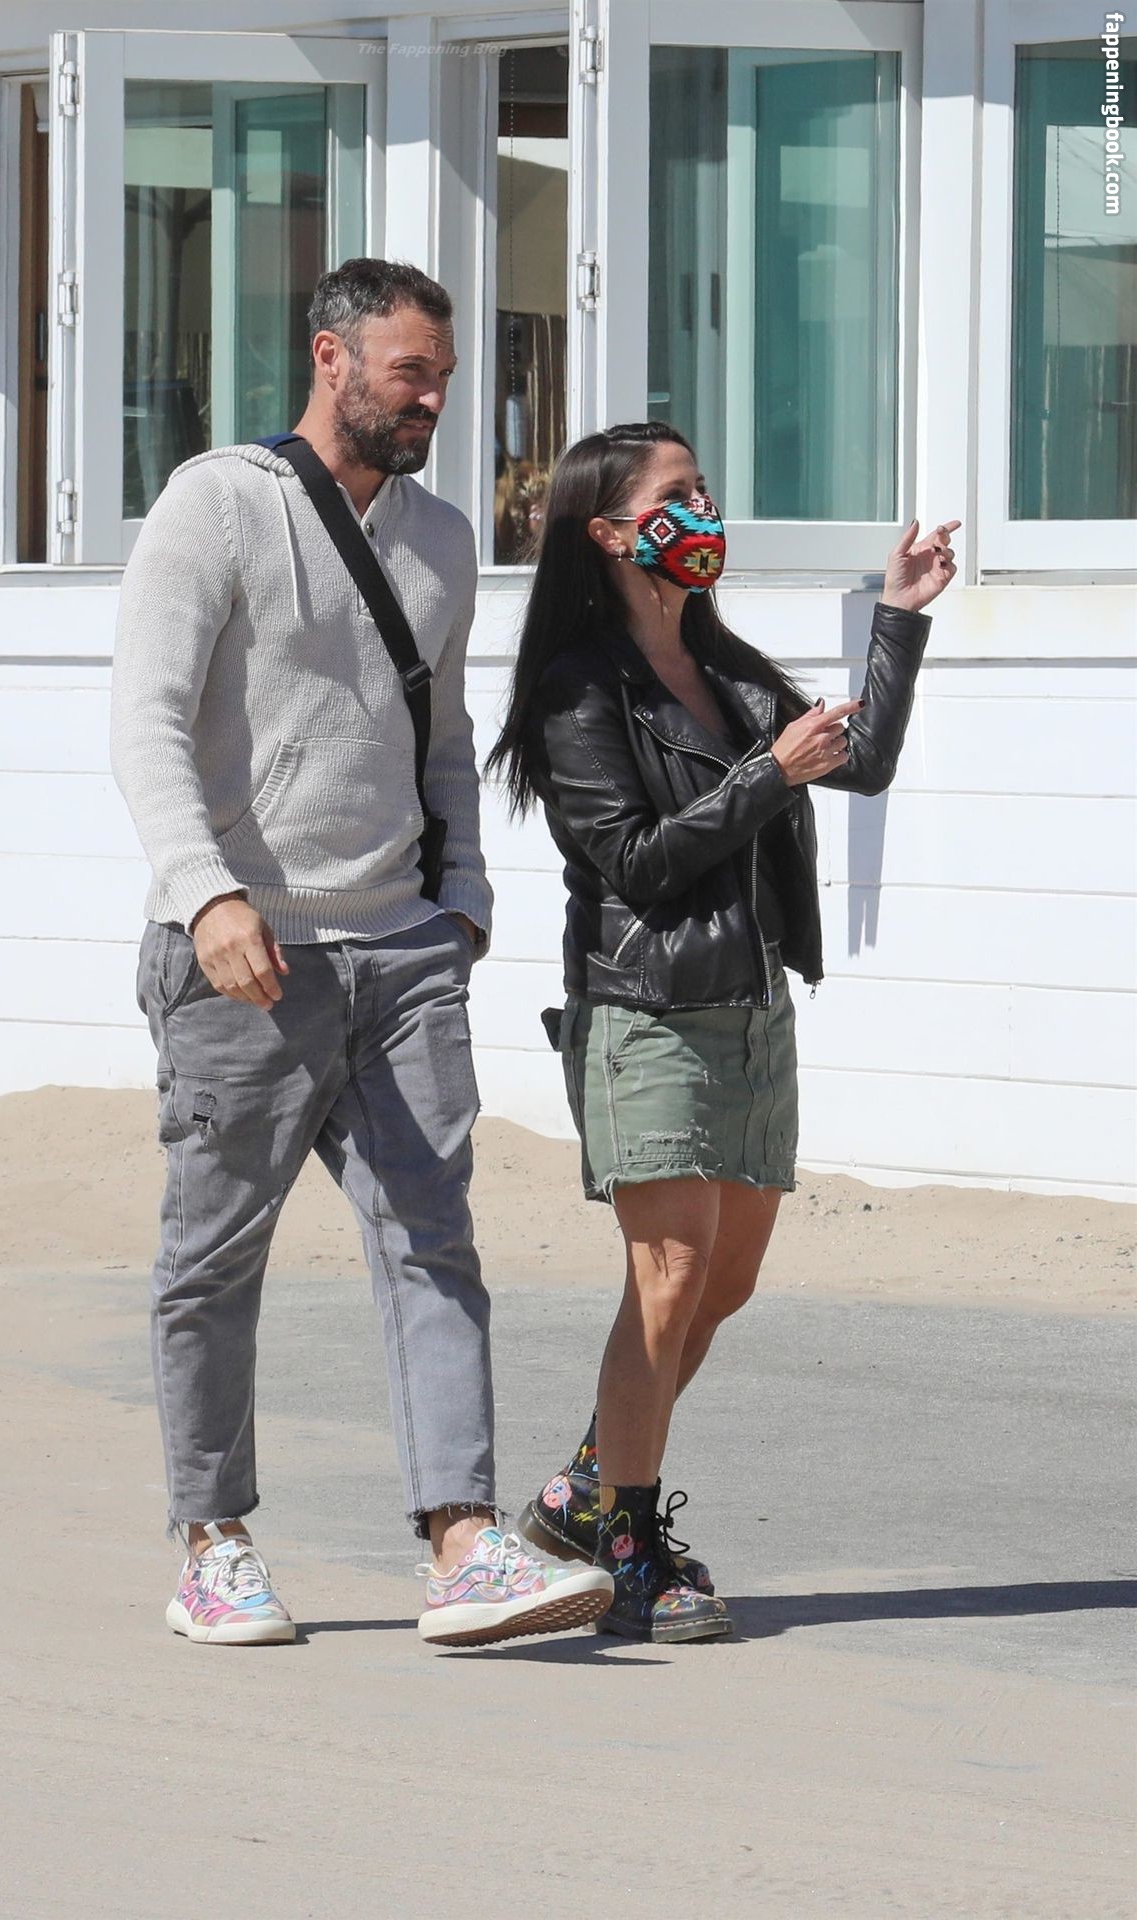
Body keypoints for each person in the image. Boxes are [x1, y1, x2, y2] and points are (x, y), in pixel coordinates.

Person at [111, 258, 612, 1649]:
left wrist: (464, 899)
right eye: (411, 373)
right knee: (215, 1258)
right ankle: (212, 1544)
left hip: (400, 949)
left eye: (443, 375)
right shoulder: (216, 505)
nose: (434, 398)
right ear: (330, 359)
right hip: (245, 956)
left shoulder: (443, 537)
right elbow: (145, 722)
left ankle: (462, 1546)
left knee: (434, 1245)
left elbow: (440, 736)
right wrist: (207, 895)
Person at [487, 421, 957, 1643]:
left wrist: (898, 616)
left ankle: (583, 1491)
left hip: (749, 1010)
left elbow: (858, 761)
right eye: (676, 496)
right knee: (668, 1275)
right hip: (644, 1013)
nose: (703, 513)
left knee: (724, 1282)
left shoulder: (720, 659)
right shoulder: (575, 688)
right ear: (608, 532)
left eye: (702, 490)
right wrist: (767, 774)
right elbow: (635, 863)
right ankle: (630, 1549)